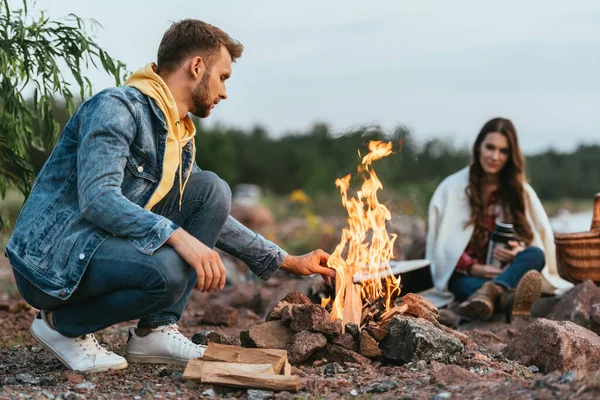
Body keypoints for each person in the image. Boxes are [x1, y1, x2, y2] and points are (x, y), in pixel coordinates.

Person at [4, 19, 335, 373]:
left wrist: (288, 261)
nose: (224, 92)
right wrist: (176, 237)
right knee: (170, 271)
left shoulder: (178, 135)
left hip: (95, 249)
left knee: (211, 189)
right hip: (52, 263)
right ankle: (61, 326)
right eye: (222, 77)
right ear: (196, 67)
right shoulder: (117, 107)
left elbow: (212, 214)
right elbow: (98, 198)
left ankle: (155, 331)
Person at [425, 117, 573, 321]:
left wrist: (517, 251)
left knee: (535, 255)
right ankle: (506, 298)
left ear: (511, 155)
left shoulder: (519, 191)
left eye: (503, 151)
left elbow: (533, 238)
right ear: (479, 147)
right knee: (460, 284)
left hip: (507, 271)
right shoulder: (453, 188)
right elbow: (444, 246)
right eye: (490, 147)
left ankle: (492, 294)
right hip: (471, 275)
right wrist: (474, 267)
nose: (495, 156)